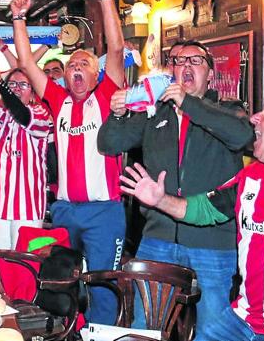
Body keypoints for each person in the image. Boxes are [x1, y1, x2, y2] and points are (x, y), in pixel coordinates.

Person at [98, 40, 254, 338]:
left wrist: (187, 102)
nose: (185, 66)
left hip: (212, 241)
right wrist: (117, 114)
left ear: (210, 73)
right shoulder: (155, 112)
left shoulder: (227, 109)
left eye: (195, 61)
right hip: (159, 236)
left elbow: (241, 136)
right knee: (144, 325)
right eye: (178, 61)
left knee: (213, 329)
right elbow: (109, 144)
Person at [119, 93, 264, 341]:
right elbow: (205, 209)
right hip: (242, 320)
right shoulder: (250, 177)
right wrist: (160, 200)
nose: (254, 118)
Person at [11, 0, 126, 325]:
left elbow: (117, 50)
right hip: (64, 210)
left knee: (104, 283)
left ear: (97, 75)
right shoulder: (58, 99)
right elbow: (28, 64)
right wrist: (18, 18)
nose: (76, 67)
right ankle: (67, 331)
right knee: (60, 283)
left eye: (84, 65)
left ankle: (102, 332)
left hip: (104, 211)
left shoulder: (106, 96)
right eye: (72, 64)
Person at [0, 60, 50, 249]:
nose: (16, 88)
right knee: (0, 261)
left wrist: (1, 83)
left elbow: (22, 115)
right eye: (12, 84)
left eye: (23, 84)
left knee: (25, 264)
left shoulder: (39, 113)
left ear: (32, 91)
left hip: (27, 207)